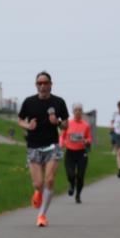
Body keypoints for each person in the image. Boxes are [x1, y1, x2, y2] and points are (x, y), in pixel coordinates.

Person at [17, 71, 69, 227]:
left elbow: (66, 125)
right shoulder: (29, 102)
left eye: (45, 83)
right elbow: (20, 120)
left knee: (50, 180)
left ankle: (42, 216)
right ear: (36, 85)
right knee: (38, 183)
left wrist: (57, 122)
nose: (42, 86)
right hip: (34, 146)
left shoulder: (59, 102)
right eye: (39, 83)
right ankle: (38, 192)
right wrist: (28, 126)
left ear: (51, 84)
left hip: (52, 146)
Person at [60, 103, 93, 203]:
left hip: (81, 153)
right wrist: (62, 144)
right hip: (70, 152)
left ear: (82, 112)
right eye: (76, 110)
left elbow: (89, 138)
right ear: (73, 112)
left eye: (80, 110)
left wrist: (87, 141)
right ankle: (71, 184)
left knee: (80, 176)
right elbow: (61, 136)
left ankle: (78, 195)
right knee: (70, 174)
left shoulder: (86, 125)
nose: (78, 112)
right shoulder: (68, 123)